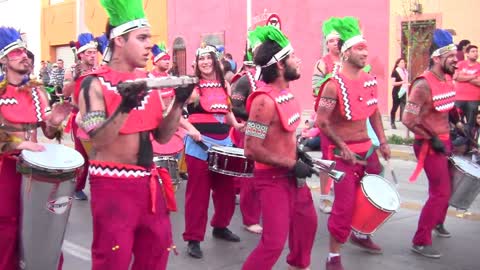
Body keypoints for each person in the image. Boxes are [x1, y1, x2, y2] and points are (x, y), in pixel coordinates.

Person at [76, 0, 193, 268]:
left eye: (149, 38)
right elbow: (99, 140)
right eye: (141, 38)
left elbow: (162, 137)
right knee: (113, 259)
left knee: (155, 256)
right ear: (119, 40)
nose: (149, 44)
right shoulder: (93, 84)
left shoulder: (147, 81)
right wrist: (124, 107)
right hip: (113, 186)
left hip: (149, 184)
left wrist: (178, 103)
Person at [315, 17, 390, 270]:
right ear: (346, 53)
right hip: (342, 153)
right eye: (360, 48)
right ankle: (333, 256)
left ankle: (361, 233)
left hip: (367, 150)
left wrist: (383, 141)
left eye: (366, 48)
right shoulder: (332, 86)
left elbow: (375, 113)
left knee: (369, 196)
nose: (366, 52)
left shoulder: (369, 81)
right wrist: (342, 146)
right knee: (344, 205)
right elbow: (322, 121)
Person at [242, 25, 318, 270]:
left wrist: (299, 155)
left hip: (291, 176)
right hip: (272, 179)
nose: (299, 60)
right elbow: (251, 149)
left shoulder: (287, 94)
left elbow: (284, 138)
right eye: (293, 56)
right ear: (281, 65)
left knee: (307, 225)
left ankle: (298, 265)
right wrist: (291, 163)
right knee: (273, 243)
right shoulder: (263, 102)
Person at [0, 26, 72, 270]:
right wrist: (21, 144)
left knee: (42, 225)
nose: (23, 55)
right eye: (16, 52)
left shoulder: (37, 91)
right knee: (8, 230)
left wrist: (54, 121)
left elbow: (49, 132)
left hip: (36, 171)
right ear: (3, 60)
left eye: (24, 51)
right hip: (6, 171)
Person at [182, 44, 243, 259]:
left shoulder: (225, 84)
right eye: (201, 59)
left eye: (209, 58)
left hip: (224, 143)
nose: (205, 62)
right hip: (199, 146)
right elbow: (174, 112)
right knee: (198, 194)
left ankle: (220, 226)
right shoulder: (192, 86)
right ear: (197, 64)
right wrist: (190, 130)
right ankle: (193, 238)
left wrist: (237, 126)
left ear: (216, 61)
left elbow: (227, 112)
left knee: (226, 190)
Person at [402, 29, 460, 259]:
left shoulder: (446, 79)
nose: (456, 60)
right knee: (440, 192)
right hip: (430, 145)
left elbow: (445, 107)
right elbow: (408, 118)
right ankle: (420, 240)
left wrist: (458, 123)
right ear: (437, 58)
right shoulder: (422, 85)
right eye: (451, 56)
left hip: (445, 141)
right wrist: (431, 138)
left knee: (448, 187)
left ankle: (437, 221)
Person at [230, 34, 263, 235]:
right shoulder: (245, 80)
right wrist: (256, 119)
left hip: (272, 133)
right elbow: (235, 107)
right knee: (250, 174)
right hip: (250, 129)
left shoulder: (275, 77)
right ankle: (250, 218)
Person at [62, 32, 98, 201]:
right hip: (80, 117)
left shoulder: (99, 70)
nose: (92, 55)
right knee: (83, 154)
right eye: (88, 53)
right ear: (81, 54)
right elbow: (64, 93)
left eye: (94, 52)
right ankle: (77, 187)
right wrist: (73, 79)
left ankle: (99, 184)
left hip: (99, 116)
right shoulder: (72, 72)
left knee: (100, 153)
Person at [312, 18, 341, 214]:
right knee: (327, 159)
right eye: (331, 41)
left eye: (338, 40)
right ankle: (324, 197)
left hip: (349, 121)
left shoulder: (351, 61)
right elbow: (315, 89)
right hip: (328, 120)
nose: (335, 44)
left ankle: (342, 194)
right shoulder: (322, 63)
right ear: (327, 44)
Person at [454, 44, 480, 127]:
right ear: (467, 54)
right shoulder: (460, 64)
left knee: (471, 123)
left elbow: (479, 82)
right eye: (473, 51)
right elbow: (456, 77)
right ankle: (457, 140)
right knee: (457, 122)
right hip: (458, 98)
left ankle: (468, 140)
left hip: (474, 99)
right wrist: (474, 76)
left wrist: (464, 76)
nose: (476, 53)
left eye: (477, 51)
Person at [390, 58, 409, 129]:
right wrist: (402, 82)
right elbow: (393, 83)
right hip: (397, 91)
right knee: (395, 107)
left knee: (404, 106)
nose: (403, 64)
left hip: (404, 91)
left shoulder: (406, 72)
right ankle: (392, 122)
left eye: (404, 62)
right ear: (397, 64)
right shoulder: (395, 72)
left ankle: (404, 121)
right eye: (401, 62)